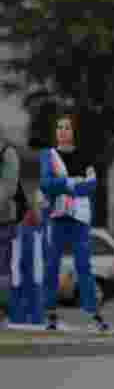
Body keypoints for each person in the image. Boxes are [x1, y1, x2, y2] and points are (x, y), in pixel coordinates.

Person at [39, 114, 110, 332]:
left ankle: (93, 314)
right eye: (59, 127)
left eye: (67, 127)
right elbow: (45, 183)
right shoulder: (48, 155)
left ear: (73, 131)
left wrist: (64, 186)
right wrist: (71, 182)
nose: (63, 131)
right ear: (55, 131)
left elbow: (91, 186)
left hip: (80, 218)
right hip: (57, 216)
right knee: (52, 265)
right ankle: (50, 313)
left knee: (83, 266)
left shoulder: (85, 155)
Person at [0, 136, 23, 324]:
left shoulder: (7, 153)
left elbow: (8, 188)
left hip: (3, 221)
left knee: (2, 269)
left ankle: (2, 312)